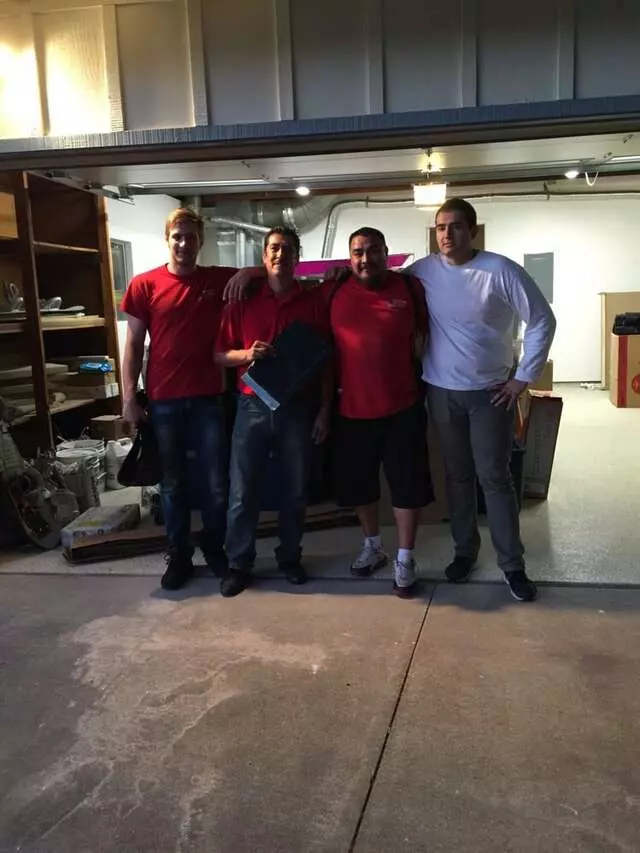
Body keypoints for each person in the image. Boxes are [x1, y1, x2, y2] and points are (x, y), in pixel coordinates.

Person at [406, 197, 556, 602]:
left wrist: (522, 378)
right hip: (441, 391)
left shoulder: (500, 270)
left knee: (495, 478)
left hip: (490, 395)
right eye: (440, 227)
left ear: (473, 231)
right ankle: (464, 552)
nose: (447, 234)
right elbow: (384, 284)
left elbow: (542, 318)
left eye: (456, 226)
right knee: (457, 477)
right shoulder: (423, 271)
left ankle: (512, 565)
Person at [121, 207, 258, 591]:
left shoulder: (217, 279)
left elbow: (270, 272)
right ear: (167, 239)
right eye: (177, 237)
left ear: (201, 241)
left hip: (209, 400)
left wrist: (250, 271)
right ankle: (179, 554)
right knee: (172, 485)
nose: (184, 244)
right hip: (163, 401)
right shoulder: (144, 285)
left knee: (215, 485)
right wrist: (129, 396)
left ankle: (214, 549)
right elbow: (133, 345)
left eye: (191, 237)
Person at [214, 226, 331, 598]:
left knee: (295, 491)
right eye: (274, 249)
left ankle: (289, 557)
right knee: (242, 491)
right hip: (251, 405)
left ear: (297, 257)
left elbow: (326, 360)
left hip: (297, 408)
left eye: (288, 249)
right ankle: (239, 563)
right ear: (264, 256)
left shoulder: (312, 303)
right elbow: (220, 355)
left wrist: (325, 410)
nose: (280, 255)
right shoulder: (242, 300)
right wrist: (247, 354)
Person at [325, 227, 432, 598]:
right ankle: (373, 546)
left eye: (372, 251)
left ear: (387, 253)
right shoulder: (333, 289)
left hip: (403, 407)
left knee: (407, 486)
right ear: (349, 257)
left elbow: (428, 336)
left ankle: (405, 558)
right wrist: (250, 272)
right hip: (352, 410)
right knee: (361, 486)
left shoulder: (409, 289)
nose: (365, 258)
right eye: (357, 252)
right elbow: (286, 281)